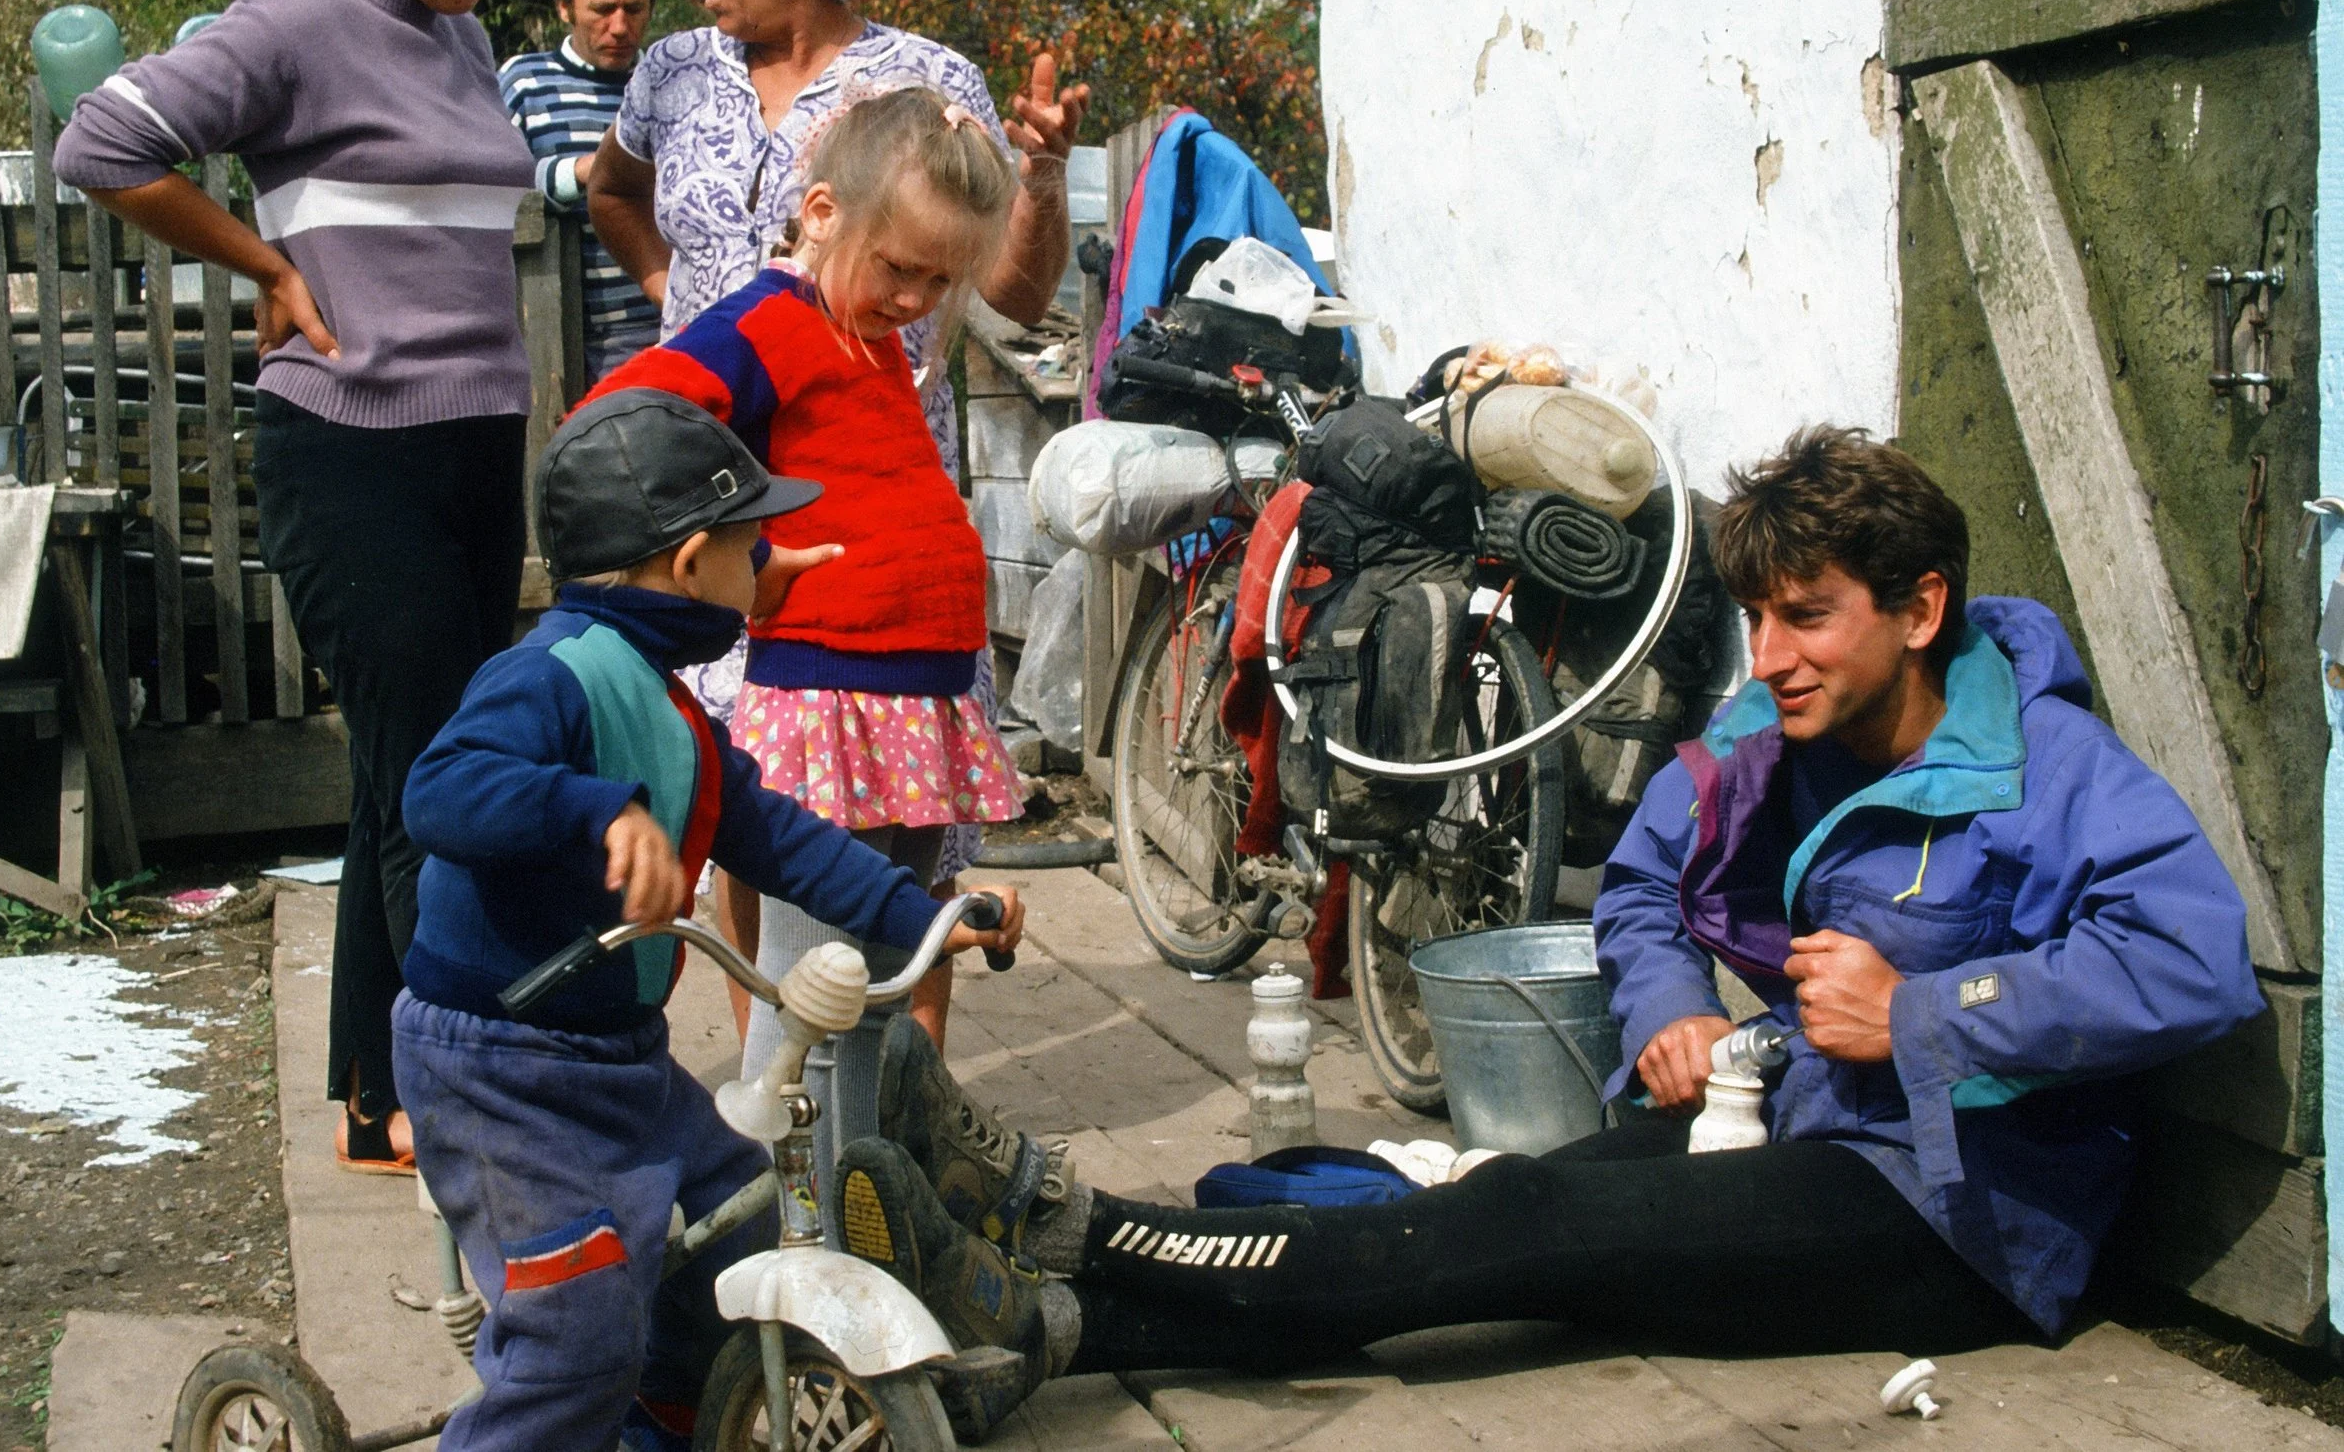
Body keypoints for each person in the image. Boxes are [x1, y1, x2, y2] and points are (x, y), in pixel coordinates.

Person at [819, 427, 2268, 1440]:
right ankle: (1056, 1314)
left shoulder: (2052, 767)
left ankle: (1070, 1233)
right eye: (1758, 619)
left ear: (1923, 606)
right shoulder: (1772, 729)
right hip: (1812, 1115)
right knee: (1480, 1220)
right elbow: (1639, 890)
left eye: (1810, 618)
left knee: (1517, 1230)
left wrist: (1926, 1013)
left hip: (1963, 1213)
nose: (1768, 659)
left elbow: (2193, 961)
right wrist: (1661, 1011)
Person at [55, 0, 587, 1175]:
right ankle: (490, 1113)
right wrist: (268, 269)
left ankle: (378, 1093)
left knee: (396, 779)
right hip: (350, 452)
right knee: (443, 785)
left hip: (476, 449)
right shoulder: (294, 25)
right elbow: (102, 142)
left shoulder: (466, 42)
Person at [392, 389, 1025, 1452]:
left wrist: (923, 912)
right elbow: (442, 789)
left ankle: (679, 1423)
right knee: (575, 1329)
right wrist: (596, 809)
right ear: (689, 566)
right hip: (499, 1070)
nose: (766, 569)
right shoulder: (548, 675)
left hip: (617, 1063)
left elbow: (776, 834)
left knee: (734, 1224)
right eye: (752, 549)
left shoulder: (673, 703)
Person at [586, 0, 1090, 1043]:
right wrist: (676, 295)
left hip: (864, 506)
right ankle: (788, 1079)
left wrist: (1044, 175)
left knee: (894, 812)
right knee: (739, 811)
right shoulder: (672, 73)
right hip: (709, 507)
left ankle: (903, 1105)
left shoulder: (929, 84)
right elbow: (610, 187)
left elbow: (1015, 296)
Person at [580, 86, 1034, 1069]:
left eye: (937, 280)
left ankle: (854, 1180)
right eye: (899, 269)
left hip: (915, 699)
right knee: (812, 987)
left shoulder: (863, 341)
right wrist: (731, 552)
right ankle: (792, 1191)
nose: (915, 300)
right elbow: (634, 412)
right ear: (823, 215)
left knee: (882, 973)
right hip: (832, 694)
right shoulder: (774, 325)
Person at [498, 0, 666, 384]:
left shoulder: (671, 86)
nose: (619, 26)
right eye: (602, 9)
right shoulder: (525, 81)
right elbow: (490, 188)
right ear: (564, 7)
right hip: (554, 327)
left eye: (634, 9)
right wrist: (583, 173)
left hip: (663, 326)